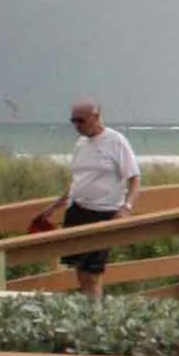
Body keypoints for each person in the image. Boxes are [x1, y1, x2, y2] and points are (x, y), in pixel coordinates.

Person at [40, 98, 140, 302]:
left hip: (104, 212)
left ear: (95, 117)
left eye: (81, 121)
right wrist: (55, 206)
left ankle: (95, 312)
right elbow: (78, 181)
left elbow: (135, 178)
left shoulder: (116, 141)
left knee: (93, 271)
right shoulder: (81, 144)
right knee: (80, 268)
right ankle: (89, 307)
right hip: (77, 209)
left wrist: (127, 207)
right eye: (73, 121)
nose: (77, 126)